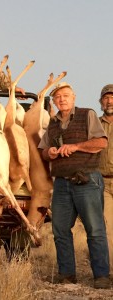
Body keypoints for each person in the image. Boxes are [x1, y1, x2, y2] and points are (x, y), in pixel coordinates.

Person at [38, 82, 110, 289]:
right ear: (53, 101)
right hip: (62, 183)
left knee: (95, 230)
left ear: (74, 97)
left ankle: (101, 277)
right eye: (58, 97)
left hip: (87, 179)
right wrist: (49, 153)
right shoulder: (52, 123)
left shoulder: (87, 115)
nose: (62, 99)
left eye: (66, 95)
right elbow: (43, 150)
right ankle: (67, 275)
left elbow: (101, 143)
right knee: (60, 230)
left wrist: (76, 146)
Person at [98, 84, 113, 270]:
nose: (110, 101)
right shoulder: (94, 123)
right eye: (106, 98)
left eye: (112, 97)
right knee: (108, 229)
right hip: (102, 182)